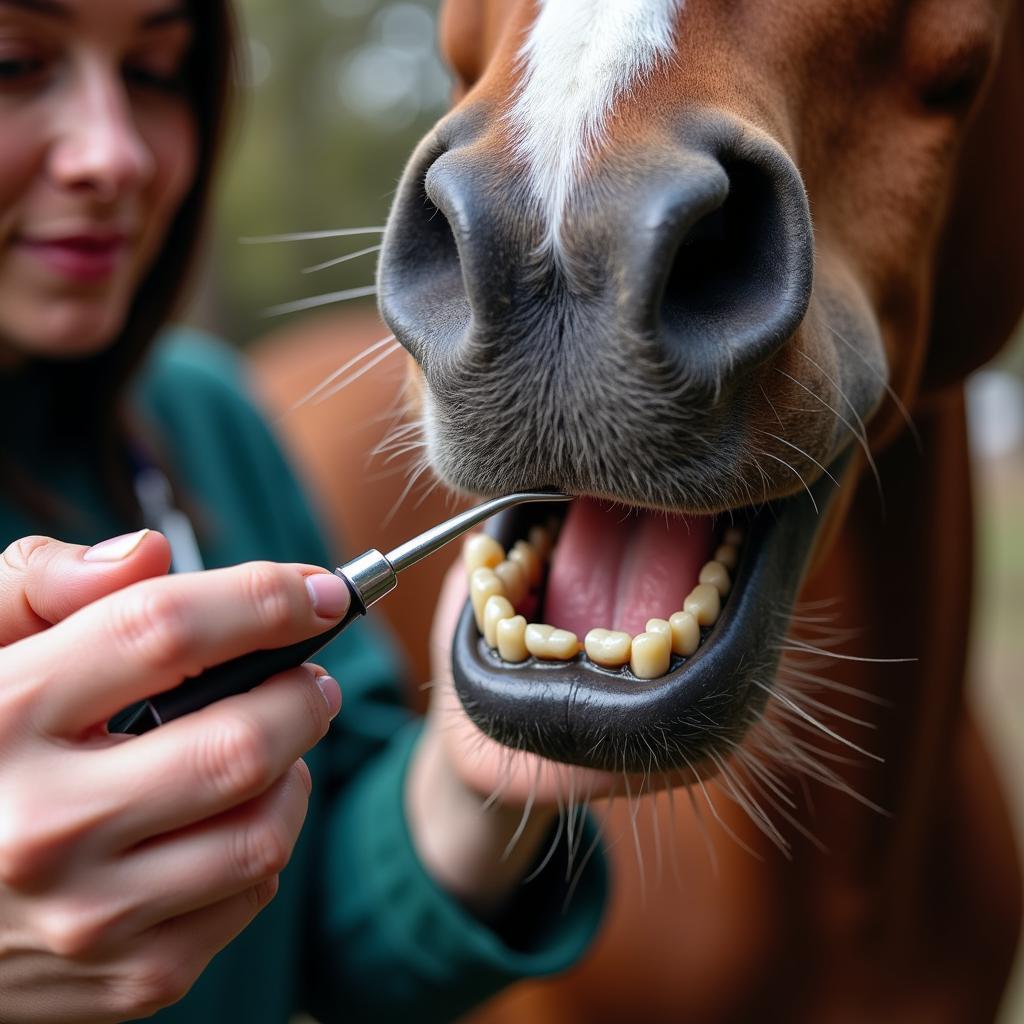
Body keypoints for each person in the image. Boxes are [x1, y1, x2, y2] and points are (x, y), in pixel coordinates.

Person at [0, 2, 606, 1021]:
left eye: (155, 72)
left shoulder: (208, 418)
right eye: (14, 62)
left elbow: (317, 915)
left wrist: (475, 786)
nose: (114, 156)